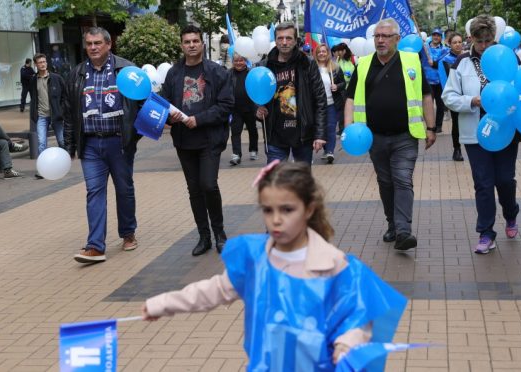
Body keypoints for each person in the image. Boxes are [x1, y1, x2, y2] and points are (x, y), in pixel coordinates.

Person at [142, 161, 407, 369]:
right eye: (268, 210)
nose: (276, 220)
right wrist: (164, 303)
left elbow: (356, 317)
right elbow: (215, 291)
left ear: (309, 209)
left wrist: (347, 345)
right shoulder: (255, 259)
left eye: (287, 210)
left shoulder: (332, 264)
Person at [344, 18, 437, 251]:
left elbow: (426, 95)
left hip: (405, 135)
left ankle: (404, 230)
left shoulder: (410, 60)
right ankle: (392, 224)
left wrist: (431, 127)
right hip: (373, 136)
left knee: (402, 179)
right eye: (377, 36)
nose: (380, 40)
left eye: (385, 36)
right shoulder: (363, 64)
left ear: (397, 39)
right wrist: (348, 128)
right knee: (385, 182)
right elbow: (350, 98)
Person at [442, 15, 521, 254]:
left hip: (506, 130)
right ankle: (486, 233)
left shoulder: (508, 58)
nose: (485, 46)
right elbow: (449, 96)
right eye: (480, 41)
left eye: (488, 40)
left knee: (505, 180)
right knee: (484, 184)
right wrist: (472, 101)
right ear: (471, 39)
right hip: (476, 134)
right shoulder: (462, 62)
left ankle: (510, 214)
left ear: (494, 38)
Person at [64, 27, 141, 264]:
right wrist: (69, 146)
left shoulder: (126, 70)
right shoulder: (76, 73)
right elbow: (70, 112)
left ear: (109, 45)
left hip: (118, 142)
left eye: (98, 43)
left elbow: (140, 106)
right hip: (90, 144)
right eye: (89, 44)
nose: (93, 48)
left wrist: (132, 137)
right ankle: (95, 246)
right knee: (94, 192)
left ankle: (128, 233)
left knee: (124, 189)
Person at [161, 25, 233, 256]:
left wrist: (199, 119)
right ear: (181, 45)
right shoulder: (174, 73)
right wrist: (167, 119)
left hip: (209, 139)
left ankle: (220, 233)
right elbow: (164, 102)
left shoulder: (217, 72)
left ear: (202, 43)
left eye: (195, 41)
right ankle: (204, 236)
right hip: (184, 141)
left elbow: (226, 106)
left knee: (208, 185)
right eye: (187, 41)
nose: (191, 45)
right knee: (194, 190)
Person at [256, 22, 326, 165]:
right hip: (275, 135)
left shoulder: (307, 63)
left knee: (301, 183)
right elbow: (256, 97)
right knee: (275, 182)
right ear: (275, 40)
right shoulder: (265, 65)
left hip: (302, 134)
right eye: (280, 38)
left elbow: (320, 99)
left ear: (295, 40)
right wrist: (256, 109)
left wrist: (319, 134)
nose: (284, 42)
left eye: (288, 38)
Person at [29, 53, 67, 179]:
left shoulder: (56, 78)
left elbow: (65, 96)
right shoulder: (33, 80)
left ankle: (64, 164)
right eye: (40, 62)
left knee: (61, 141)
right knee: (41, 143)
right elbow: (34, 97)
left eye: (44, 61)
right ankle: (42, 170)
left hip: (56, 115)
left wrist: (61, 110)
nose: (43, 64)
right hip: (41, 115)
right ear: (36, 64)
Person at [313, 43, 345, 164]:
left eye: (324, 51)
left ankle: (330, 151)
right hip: (316, 105)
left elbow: (343, 83)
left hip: (332, 103)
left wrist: (337, 86)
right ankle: (320, 150)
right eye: (319, 51)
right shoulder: (312, 68)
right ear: (316, 54)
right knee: (318, 128)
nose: (321, 53)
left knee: (331, 128)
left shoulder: (335, 68)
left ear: (328, 53)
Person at [228, 52, 258, 166]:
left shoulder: (251, 73)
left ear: (245, 61)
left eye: (241, 60)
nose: (238, 63)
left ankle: (253, 150)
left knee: (252, 130)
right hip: (235, 109)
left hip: (250, 107)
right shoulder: (228, 74)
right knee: (235, 132)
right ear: (233, 62)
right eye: (236, 61)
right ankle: (236, 155)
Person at [420, 28, 450, 133]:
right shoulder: (424, 48)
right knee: (428, 105)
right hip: (427, 81)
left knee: (440, 105)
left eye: (438, 35)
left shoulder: (445, 50)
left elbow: (446, 64)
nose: (436, 37)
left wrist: (435, 63)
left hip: (440, 81)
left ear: (440, 37)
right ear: (431, 36)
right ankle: (430, 125)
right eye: (434, 35)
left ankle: (438, 126)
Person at [442, 32, 465, 162]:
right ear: (450, 44)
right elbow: (444, 80)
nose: (458, 44)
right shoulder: (445, 60)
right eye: (455, 42)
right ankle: (457, 149)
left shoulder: (468, 58)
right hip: (455, 96)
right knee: (456, 123)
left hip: (469, 95)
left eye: (459, 42)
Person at [332, 43, 355, 135]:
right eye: (337, 51)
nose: (338, 53)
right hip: (342, 89)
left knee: (351, 109)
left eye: (340, 50)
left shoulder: (352, 60)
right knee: (342, 110)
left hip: (351, 88)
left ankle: (351, 127)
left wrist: (350, 76)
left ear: (344, 51)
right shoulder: (337, 61)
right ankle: (343, 129)